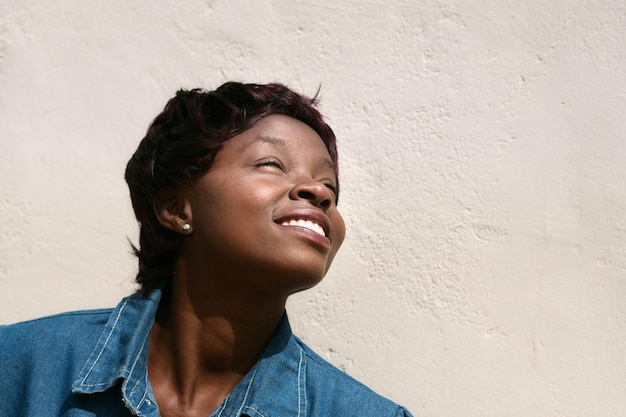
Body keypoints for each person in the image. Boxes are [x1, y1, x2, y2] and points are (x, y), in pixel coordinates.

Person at [0, 82, 413, 417]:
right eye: (272, 164)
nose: (318, 191)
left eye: (331, 188)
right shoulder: (18, 366)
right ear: (176, 207)